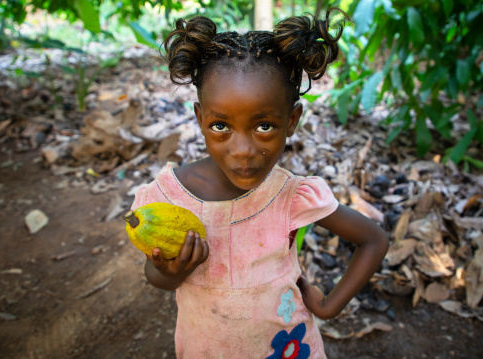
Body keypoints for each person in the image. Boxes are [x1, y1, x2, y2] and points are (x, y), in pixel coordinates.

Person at [131, 8, 389, 359]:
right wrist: (168, 270)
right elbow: (156, 276)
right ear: (200, 118)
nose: (243, 151)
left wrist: (329, 307)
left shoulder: (292, 196)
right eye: (220, 126)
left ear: (292, 120)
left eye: (264, 126)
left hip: (287, 349)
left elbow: (373, 239)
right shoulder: (167, 197)